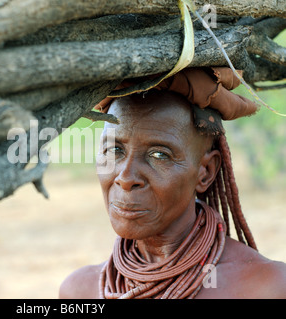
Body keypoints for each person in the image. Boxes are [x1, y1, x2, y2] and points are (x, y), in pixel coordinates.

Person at [59, 67, 286, 299]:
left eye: (159, 155)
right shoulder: (80, 291)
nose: (126, 178)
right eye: (114, 150)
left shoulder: (265, 288)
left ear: (205, 172)